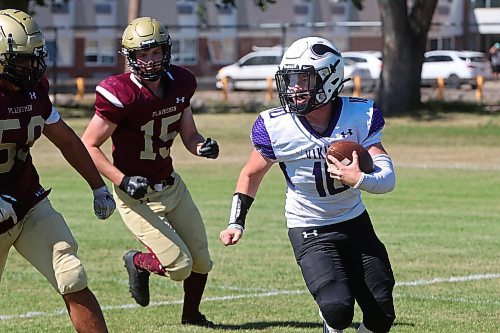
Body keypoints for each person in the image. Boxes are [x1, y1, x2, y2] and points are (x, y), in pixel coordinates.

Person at [219, 37, 396, 333]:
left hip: (354, 220)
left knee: (381, 315)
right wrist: (236, 222)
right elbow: (250, 175)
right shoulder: (276, 126)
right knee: (337, 309)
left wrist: (360, 179)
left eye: (304, 79)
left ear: (329, 78)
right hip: (309, 225)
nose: (294, 88)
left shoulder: (359, 115)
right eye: (290, 80)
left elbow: (387, 179)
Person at [81, 17, 219, 328]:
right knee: (181, 266)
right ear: (131, 58)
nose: (151, 60)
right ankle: (137, 262)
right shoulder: (121, 93)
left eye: (156, 52)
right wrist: (122, 180)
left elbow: (190, 136)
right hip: (136, 196)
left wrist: (202, 147)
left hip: (171, 185)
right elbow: (89, 145)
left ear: (167, 51)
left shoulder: (180, 84)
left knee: (201, 260)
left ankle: (192, 317)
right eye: (143, 54)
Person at [0, 9, 116, 333]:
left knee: (72, 275)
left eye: (34, 57)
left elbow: (65, 138)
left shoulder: (35, 89)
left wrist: (98, 186)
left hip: (27, 202)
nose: (30, 66)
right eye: (20, 60)